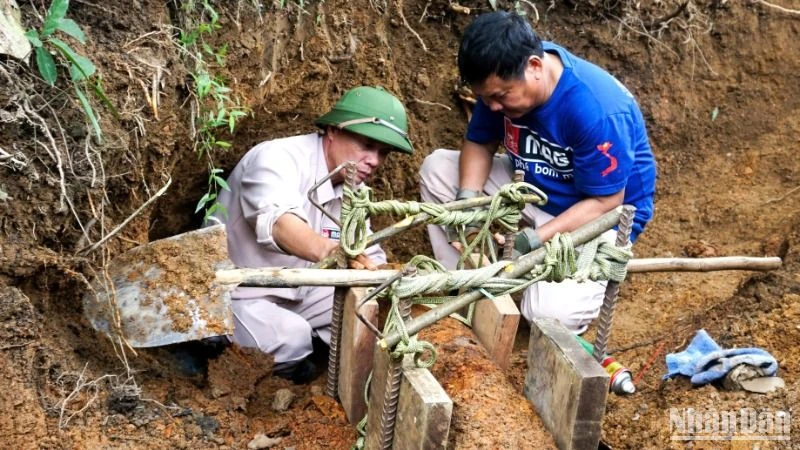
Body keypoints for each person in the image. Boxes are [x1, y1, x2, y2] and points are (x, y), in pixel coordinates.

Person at [419, 11, 656, 334]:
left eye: (500, 96)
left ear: (534, 66)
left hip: (600, 213)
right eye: (485, 98)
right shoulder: (502, 81)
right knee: (438, 170)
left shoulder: (596, 109)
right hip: (532, 187)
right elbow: (480, 143)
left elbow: (606, 202)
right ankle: (467, 281)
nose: (492, 107)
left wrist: (532, 241)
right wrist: (467, 205)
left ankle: (546, 288)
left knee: (548, 317)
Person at [215, 86, 414, 383]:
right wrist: (330, 251)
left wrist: (396, 278)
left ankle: (320, 367)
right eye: (367, 145)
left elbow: (368, 253)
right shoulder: (276, 158)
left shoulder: (353, 191)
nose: (374, 160)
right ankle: (251, 373)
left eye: (383, 153)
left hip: (300, 292)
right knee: (290, 338)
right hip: (235, 295)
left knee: (372, 311)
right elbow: (279, 223)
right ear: (333, 130)